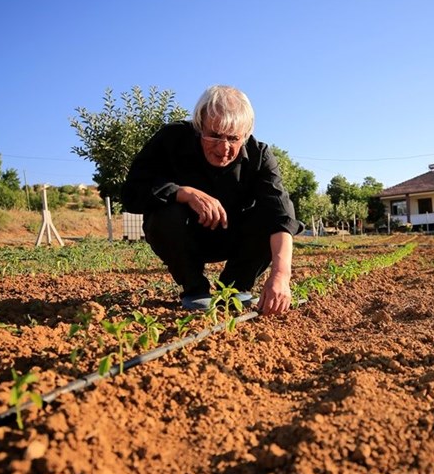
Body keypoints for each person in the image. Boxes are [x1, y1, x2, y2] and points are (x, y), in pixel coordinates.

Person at [121, 85, 301, 315]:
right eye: (214, 135)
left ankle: (236, 287)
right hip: (186, 236)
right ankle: (195, 289)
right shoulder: (172, 140)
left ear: (245, 135)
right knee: (163, 212)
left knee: (268, 216)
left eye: (233, 138)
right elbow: (132, 192)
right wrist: (184, 193)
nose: (223, 148)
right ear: (199, 125)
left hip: (235, 238)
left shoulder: (260, 156)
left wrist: (281, 275)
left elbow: (281, 217)